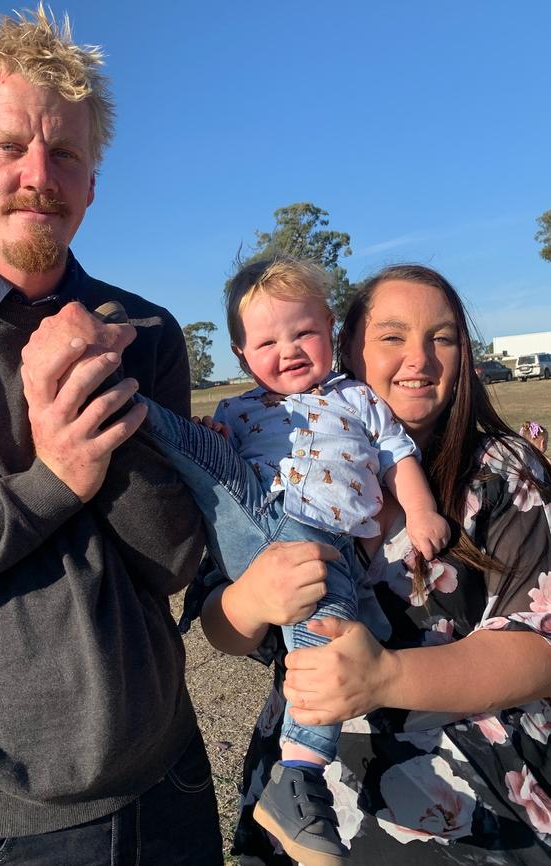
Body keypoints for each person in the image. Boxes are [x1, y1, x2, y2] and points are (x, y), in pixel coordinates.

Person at [0, 6, 228, 863]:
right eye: (10, 146)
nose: (38, 173)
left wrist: (98, 392)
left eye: (67, 153)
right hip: (2, 825)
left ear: (91, 184)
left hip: (173, 778)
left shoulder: (145, 331)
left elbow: (171, 562)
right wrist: (53, 480)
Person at [184, 264, 551, 864]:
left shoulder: (503, 470)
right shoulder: (266, 455)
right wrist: (252, 599)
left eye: (443, 337)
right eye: (392, 336)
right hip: (304, 799)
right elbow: (220, 627)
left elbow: (541, 646)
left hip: (467, 805)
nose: (421, 359)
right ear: (351, 344)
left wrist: (383, 677)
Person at [137, 257, 449, 866]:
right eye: (267, 342)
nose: (289, 351)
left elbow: (398, 456)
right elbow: (220, 593)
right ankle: (123, 404)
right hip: (258, 525)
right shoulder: (236, 411)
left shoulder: (358, 398)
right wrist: (218, 440)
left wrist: (421, 512)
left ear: (330, 329)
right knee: (200, 448)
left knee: (327, 627)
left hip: (327, 548)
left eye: (303, 333)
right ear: (240, 352)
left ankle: (297, 775)